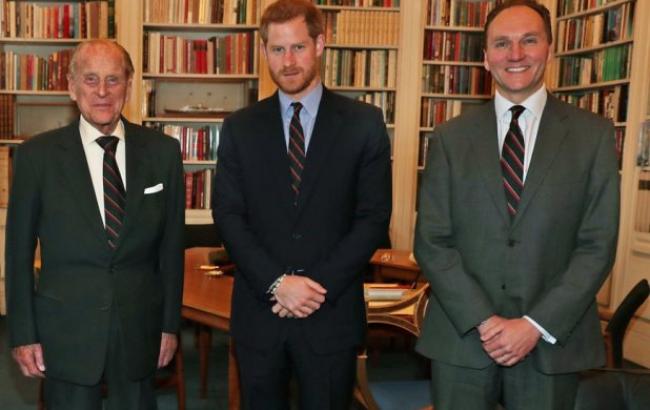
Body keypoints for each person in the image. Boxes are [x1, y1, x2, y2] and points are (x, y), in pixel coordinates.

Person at [414, 1, 620, 409]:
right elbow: (432, 241)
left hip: (550, 342)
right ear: (485, 57)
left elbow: (597, 246)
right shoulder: (450, 138)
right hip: (462, 338)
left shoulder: (593, 136)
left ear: (549, 49)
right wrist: (485, 321)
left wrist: (534, 325)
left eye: (529, 40)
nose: (515, 54)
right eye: (502, 43)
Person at [212, 0, 392, 408]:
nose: (288, 61)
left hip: (330, 314)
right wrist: (278, 284)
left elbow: (373, 218)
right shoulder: (239, 128)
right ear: (264, 52)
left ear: (320, 44)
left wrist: (313, 289)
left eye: (298, 47)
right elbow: (228, 215)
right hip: (261, 314)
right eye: (278, 49)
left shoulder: (364, 123)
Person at [5, 39, 185, 410]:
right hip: (66, 329)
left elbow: (171, 250)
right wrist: (23, 334)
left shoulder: (163, 153)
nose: (102, 91)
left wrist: (169, 326)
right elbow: (18, 254)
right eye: (90, 79)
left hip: (140, 327)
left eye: (113, 79)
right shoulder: (36, 157)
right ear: (72, 87)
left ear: (128, 87)